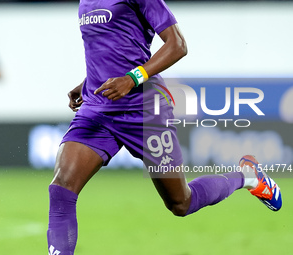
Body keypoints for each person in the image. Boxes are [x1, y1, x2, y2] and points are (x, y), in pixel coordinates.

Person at [47, 1, 282, 254]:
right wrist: (86, 83)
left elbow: (178, 45)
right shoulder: (86, 1)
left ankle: (247, 176)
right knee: (61, 189)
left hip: (145, 109)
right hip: (98, 108)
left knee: (181, 203)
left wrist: (132, 78)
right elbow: (112, 50)